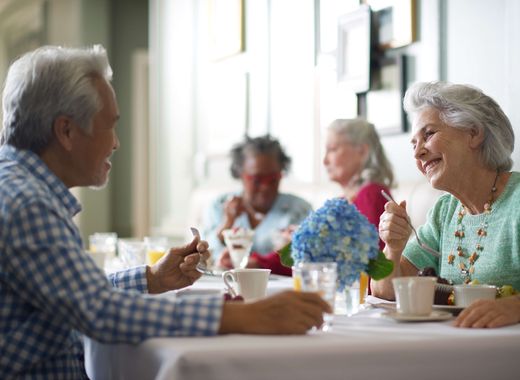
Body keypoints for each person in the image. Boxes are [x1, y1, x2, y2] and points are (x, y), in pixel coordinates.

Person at [0, 45, 330, 378]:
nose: (115, 143)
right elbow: (100, 312)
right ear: (67, 131)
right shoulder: (29, 204)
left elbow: (77, 293)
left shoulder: (18, 186)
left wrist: (151, 279)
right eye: (110, 126)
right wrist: (249, 315)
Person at [373, 81, 520, 328]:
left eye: (428, 134)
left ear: (473, 133)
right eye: (413, 143)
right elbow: (383, 291)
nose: (417, 153)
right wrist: (393, 248)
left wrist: (514, 307)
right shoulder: (446, 211)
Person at [246, 118, 395, 276]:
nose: (324, 161)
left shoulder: (371, 195)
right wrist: (257, 262)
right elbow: (314, 261)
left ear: (362, 151)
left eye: (332, 149)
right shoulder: (343, 201)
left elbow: (374, 269)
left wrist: (307, 244)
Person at [202, 135, 312, 266]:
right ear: (240, 174)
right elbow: (204, 257)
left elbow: (306, 259)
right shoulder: (219, 206)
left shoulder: (299, 209)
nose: (265, 187)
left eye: (273, 178)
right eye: (256, 180)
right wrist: (226, 224)